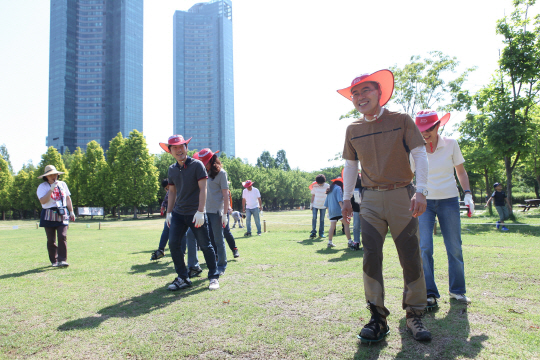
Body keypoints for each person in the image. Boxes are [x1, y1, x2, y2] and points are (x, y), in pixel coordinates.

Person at [338, 70, 431, 342]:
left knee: (410, 255)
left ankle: (414, 315)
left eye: (365, 90)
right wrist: (346, 198)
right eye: (354, 93)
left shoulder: (401, 120)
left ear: (379, 92)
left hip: (403, 195)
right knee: (370, 257)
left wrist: (422, 191)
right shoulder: (352, 128)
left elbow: (420, 154)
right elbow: (350, 165)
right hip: (369, 200)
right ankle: (377, 318)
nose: (359, 96)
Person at [411, 109, 474, 308]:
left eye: (430, 128)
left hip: (449, 200)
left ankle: (457, 291)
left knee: (454, 246)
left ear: (438, 126)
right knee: (424, 247)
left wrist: (468, 193)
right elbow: (408, 175)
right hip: (424, 204)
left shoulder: (451, 144)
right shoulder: (414, 148)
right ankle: (429, 293)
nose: (425, 132)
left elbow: (461, 172)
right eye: (421, 128)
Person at [160, 135, 220, 291]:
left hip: (196, 214)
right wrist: (169, 212)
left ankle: (213, 276)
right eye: (175, 147)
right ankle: (183, 278)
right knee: (173, 244)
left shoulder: (197, 165)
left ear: (186, 147)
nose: (179, 150)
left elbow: (203, 189)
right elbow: (172, 192)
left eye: (182, 146)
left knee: (206, 245)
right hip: (179, 214)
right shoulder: (172, 169)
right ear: (170, 151)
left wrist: (201, 211)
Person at [193, 148, 229, 275]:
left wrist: (225, 214)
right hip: (203, 212)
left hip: (216, 212)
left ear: (213, 160)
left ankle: (222, 265)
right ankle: (211, 263)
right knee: (206, 241)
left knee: (219, 239)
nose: (204, 164)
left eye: (206, 162)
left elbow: (225, 195)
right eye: (202, 161)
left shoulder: (222, 174)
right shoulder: (202, 173)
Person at [36, 165, 76, 267]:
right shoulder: (42, 187)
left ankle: (62, 260)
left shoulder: (62, 184)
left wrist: (71, 211)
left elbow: (67, 198)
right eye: (50, 175)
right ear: (46, 177)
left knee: (62, 236)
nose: (54, 176)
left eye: (55, 174)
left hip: (62, 211)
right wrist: (51, 190)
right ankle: (54, 260)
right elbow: (43, 201)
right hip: (49, 212)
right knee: (51, 240)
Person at [324, 177, 351, 248]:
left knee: (332, 227)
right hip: (339, 210)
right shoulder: (338, 188)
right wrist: (343, 209)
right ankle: (350, 241)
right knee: (346, 224)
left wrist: (328, 212)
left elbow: (326, 203)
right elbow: (339, 200)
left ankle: (329, 242)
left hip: (331, 211)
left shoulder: (330, 190)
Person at [310, 174, 330, 238]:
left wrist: (328, 206)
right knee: (314, 218)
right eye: (319, 183)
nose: (320, 184)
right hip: (315, 205)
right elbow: (313, 195)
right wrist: (311, 204)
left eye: (321, 183)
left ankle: (321, 233)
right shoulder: (314, 186)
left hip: (323, 205)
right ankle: (313, 232)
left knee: (322, 220)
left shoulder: (327, 186)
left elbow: (328, 196)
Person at [350, 174, 363, 250]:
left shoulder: (364, 186)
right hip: (356, 210)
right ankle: (356, 242)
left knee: (363, 227)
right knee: (356, 226)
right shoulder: (352, 187)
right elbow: (351, 199)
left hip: (364, 209)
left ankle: (365, 243)